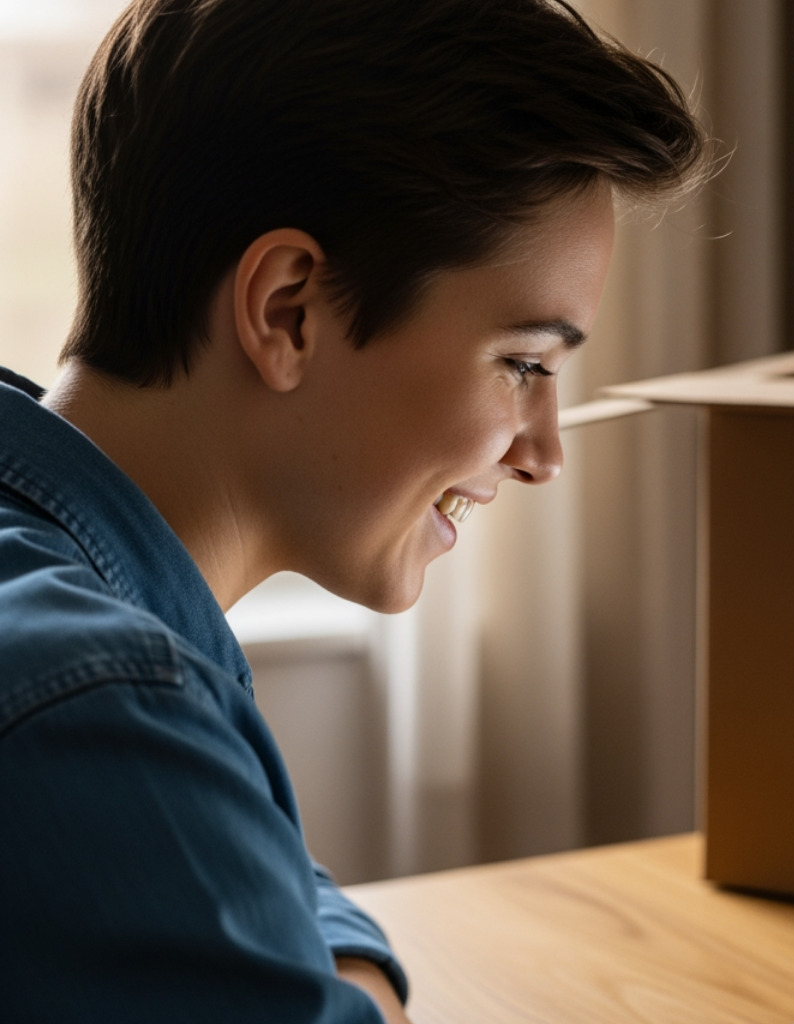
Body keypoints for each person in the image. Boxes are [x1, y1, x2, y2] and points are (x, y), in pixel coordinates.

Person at [0, 0, 709, 1020]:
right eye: (521, 363)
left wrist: (339, 963)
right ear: (288, 308)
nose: (546, 452)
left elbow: (232, 858)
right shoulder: (97, 702)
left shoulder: (79, 620)